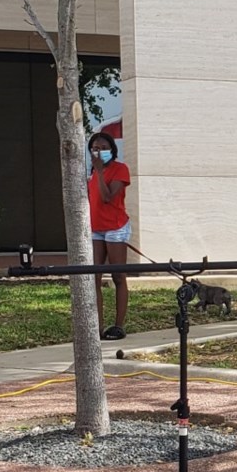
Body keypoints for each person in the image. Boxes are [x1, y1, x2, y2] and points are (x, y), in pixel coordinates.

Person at [86, 131, 131, 340]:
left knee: (118, 276)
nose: (99, 151)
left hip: (115, 227)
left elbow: (106, 198)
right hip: (96, 228)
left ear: (112, 150)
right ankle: (99, 326)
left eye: (103, 148)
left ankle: (118, 325)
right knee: (94, 278)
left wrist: (101, 172)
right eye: (95, 148)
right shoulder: (92, 173)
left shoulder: (120, 170)